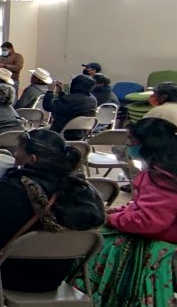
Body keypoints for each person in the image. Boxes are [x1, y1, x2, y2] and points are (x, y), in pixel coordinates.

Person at [0, 129, 105, 306]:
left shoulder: (14, 188)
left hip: (10, 273)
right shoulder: (81, 190)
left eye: (18, 149)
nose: (15, 153)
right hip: (56, 275)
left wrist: (5, 177)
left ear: (32, 159)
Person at [83, 117, 177, 306]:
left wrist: (111, 219)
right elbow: (144, 207)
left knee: (96, 242)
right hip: (162, 232)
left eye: (131, 140)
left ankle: (102, 297)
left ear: (147, 144)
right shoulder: (165, 170)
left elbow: (148, 221)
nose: (127, 145)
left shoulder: (161, 178)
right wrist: (120, 212)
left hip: (162, 240)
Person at [43, 74, 97, 140]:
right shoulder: (92, 99)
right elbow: (68, 106)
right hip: (80, 134)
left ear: (76, 85)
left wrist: (50, 91)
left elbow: (48, 106)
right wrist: (61, 93)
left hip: (62, 132)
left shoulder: (71, 99)